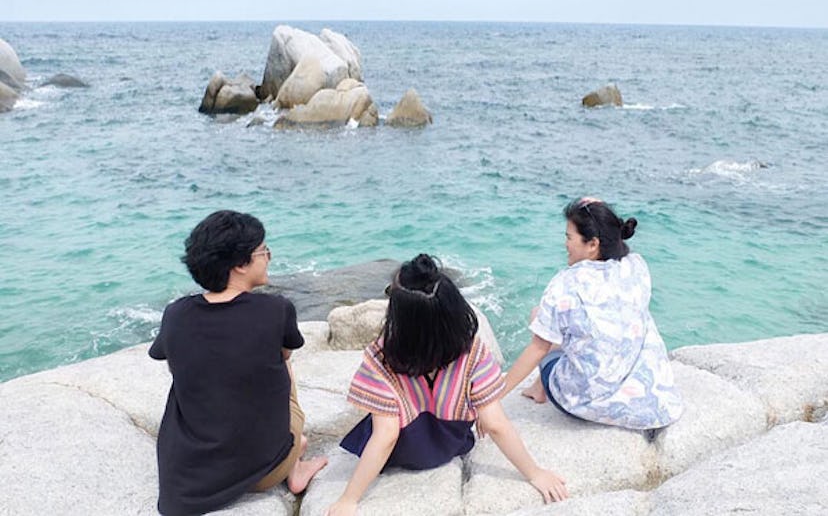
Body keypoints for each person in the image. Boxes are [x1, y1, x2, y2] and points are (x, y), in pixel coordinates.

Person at [326, 254, 568, 516]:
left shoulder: (383, 356)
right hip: (450, 443)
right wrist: (535, 473)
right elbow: (496, 425)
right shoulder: (470, 350)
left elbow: (386, 436)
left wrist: (349, 499)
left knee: (377, 422)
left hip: (402, 451)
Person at [149, 210, 327, 516]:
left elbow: (164, 355)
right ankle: (294, 463)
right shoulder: (276, 309)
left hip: (194, 473)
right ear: (240, 265)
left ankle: (290, 452)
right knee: (283, 364)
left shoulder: (175, 314)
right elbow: (285, 355)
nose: (269, 257)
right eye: (263, 251)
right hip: (265, 471)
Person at [505, 197, 683, 431]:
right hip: (648, 399)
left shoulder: (566, 283)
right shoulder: (635, 265)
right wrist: (595, 209)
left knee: (539, 316)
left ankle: (539, 388)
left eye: (569, 237)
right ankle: (538, 387)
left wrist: (492, 397)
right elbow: (610, 234)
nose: (565, 244)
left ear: (592, 244)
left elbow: (538, 348)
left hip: (584, 400)